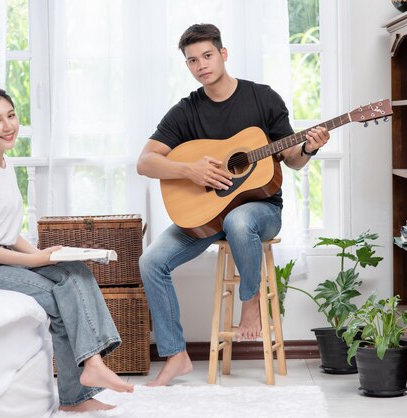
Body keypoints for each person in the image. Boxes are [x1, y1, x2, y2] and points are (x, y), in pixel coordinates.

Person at [137, 23, 330, 386]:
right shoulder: (186, 111)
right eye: (192, 60)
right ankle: (176, 355)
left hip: (262, 211)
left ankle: (251, 301)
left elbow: (292, 158)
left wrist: (309, 146)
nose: (201, 65)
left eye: (207, 56)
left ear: (223, 54)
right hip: (208, 217)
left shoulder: (262, 98)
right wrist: (189, 170)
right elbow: (145, 162)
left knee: (240, 219)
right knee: (151, 261)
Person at [0, 88, 134, 412]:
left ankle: (90, 368)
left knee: (75, 271)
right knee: (59, 299)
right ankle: (79, 391)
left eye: (11, 115)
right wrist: (35, 260)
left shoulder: (4, 164)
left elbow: (5, 231)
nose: (8, 125)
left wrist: (45, 255)